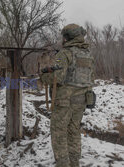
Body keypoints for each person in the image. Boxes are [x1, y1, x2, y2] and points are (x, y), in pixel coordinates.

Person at [40, 24, 95, 167]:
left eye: (63, 37)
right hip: (81, 101)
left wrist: (43, 76)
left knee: (59, 133)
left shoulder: (65, 54)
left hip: (64, 102)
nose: (62, 40)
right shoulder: (88, 54)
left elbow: (57, 78)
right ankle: (74, 163)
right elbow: (91, 79)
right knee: (74, 132)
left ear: (67, 38)